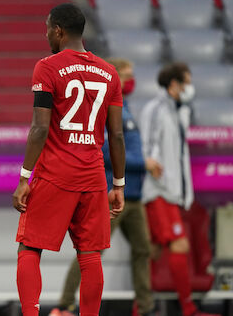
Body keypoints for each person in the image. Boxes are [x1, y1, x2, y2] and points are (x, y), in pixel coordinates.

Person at [12, 3, 126, 316]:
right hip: (93, 177)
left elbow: (39, 127)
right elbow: (116, 136)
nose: (46, 34)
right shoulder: (110, 73)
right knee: (90, 256)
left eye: (48, 28)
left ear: (59, 30)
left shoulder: (47, 67)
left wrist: (24, 177)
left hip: (55, 174)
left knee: (30, 248)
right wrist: (118, 184)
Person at [49, 58, 154, 316]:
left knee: (143, 250)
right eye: (127, 75)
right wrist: (144, 163)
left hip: (135, 196)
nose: (131, 81)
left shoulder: (124, 107)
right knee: (91, 250)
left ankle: (146, 308)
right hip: (111, 194)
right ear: (115, 77)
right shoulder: (104, 106)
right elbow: (104, 150)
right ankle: (65, 304)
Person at [139, 63, 219, 316]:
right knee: (179, 245)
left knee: (152, 250)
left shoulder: (179, 111)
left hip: (173, 192)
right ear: (174, 84)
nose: (189, 88)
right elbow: (147, 145)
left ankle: (139, 309)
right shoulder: (155, 109)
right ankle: (188, 308)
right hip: (158, 190)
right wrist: (150, 164)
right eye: (186, 82)